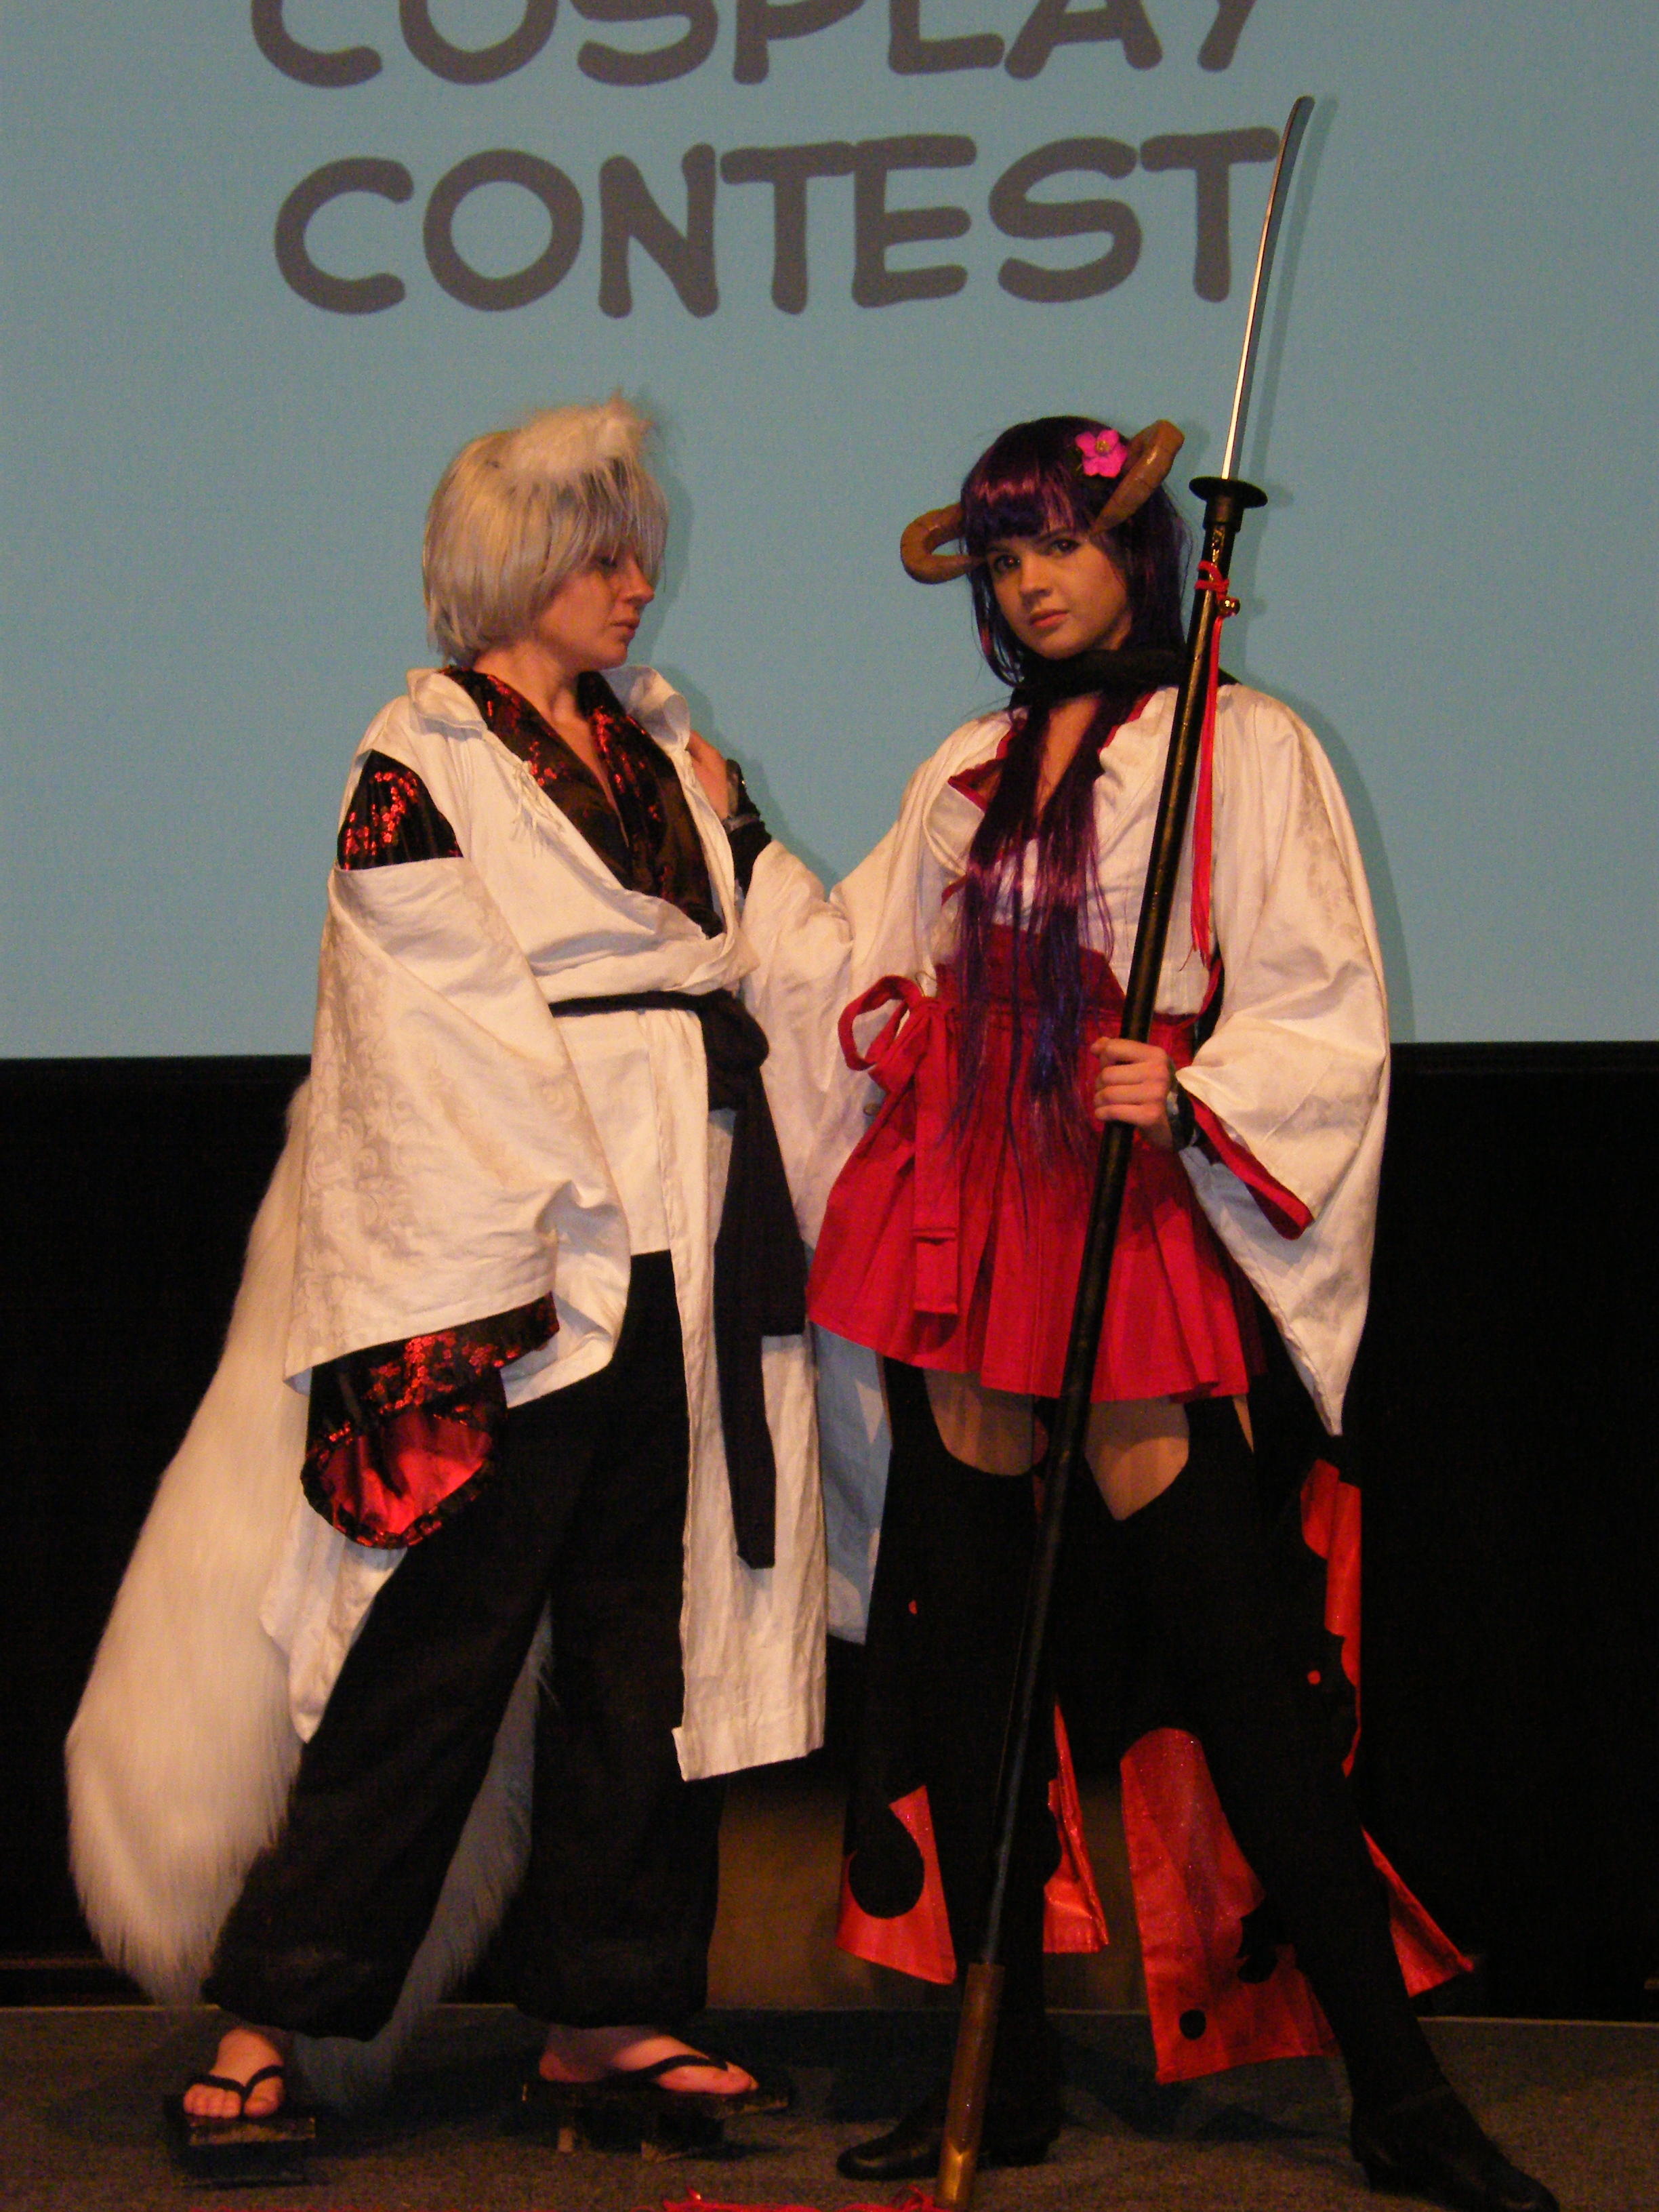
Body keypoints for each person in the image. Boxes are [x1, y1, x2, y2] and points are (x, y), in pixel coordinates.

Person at [735, 415, 1557, 2211]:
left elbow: (1320, 986)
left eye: (1062, 545)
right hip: (961, 1204)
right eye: (1003, 558)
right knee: (969, 1661)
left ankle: (1397, 2090)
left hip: (1113, 1199)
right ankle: (1003, 2064)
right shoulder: (968, 762)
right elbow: (870, 957)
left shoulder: (1241, 747)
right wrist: (767, 876)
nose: (1034, 584)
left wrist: (1188, 1087)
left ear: (1139, 552)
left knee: (1240, 1660)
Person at [67, 398, 824, 2140]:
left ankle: (609, 2006)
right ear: (516, 563)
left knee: (647, 1645)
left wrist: (754, 859)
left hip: (679, 1229)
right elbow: (426, 1017)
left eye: (638, 553)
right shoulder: (415, 764)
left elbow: (753, 947)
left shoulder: (666, 749)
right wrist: (546, 1215)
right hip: (509, 1260)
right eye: (604, 554)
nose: (637, 584)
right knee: (437, 1646)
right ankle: (274, 2009)